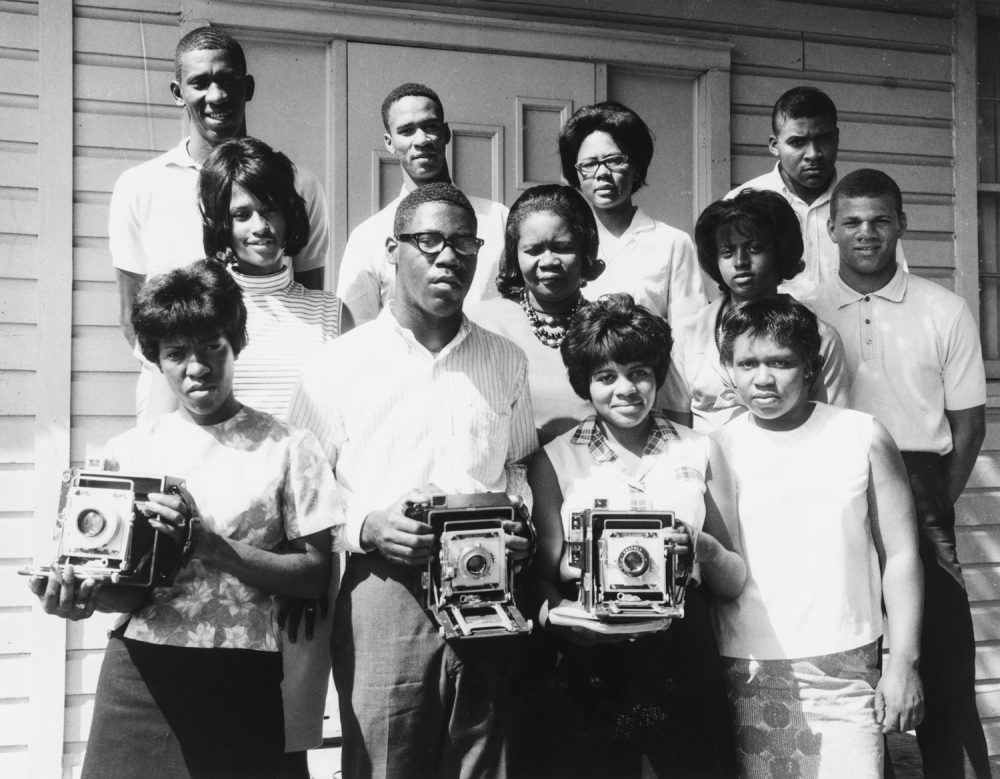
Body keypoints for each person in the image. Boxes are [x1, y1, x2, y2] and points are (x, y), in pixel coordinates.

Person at [29, 260, 342, 779]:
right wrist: (80, 598)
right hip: (140, 679)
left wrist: (208, 545)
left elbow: (314, 575)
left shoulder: (289, 447)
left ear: (236, 343)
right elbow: (127, 597)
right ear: (156, 359)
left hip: (244, 679)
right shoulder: (128, 453)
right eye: (176, 353)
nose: (197, 367)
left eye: (212, 346)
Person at [289, 182, 537, 779]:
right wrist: (368, 526)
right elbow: (302, 491)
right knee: (385, 762)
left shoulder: (506, 359)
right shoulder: (337, 364)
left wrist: (519, 520)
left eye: (464, 243)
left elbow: (519, 465)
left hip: (487, 587)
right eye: (429, 241)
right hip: (386, 588)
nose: (448, 256)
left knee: (486, 760)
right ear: (392, 251)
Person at [810, 169, 991, 778]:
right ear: (831, 229)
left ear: (902, 225)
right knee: (843, 657)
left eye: (880, 220)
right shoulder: (805, 308)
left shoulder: (944, 309)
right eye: (853, 222)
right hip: (832, 487)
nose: (867, 233)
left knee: (940, 663)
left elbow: (969, 426)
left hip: (918, 485)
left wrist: (931, 503)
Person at [526, 293, 746, 778]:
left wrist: (704, 549)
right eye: (606, 376)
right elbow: (539, 579)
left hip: (682, 652)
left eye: (639, 372)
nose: (625, 389)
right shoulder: (555, 460)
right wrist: (561, 620)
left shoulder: (700, 450)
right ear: (584, 382)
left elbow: (733, 581)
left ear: (658, 375)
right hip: (592, 656)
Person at [713, 296, 924, 778]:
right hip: (747, 668)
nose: (763, 378)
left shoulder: (862, 436)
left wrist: (903, 663)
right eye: (747, 364)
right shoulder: (718, 449)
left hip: (845, 669)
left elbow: (902, 555)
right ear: (729, 369)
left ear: (810, 366)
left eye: (781, 362)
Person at [198, 135, 351, 777]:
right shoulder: (203, 306)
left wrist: (307, 559)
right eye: (242, 213)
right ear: (220, 223)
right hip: (213, 537)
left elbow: (342, 439)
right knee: (205, 732)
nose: (260, 225)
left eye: (271, 209)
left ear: (292, 215)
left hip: (300, 547)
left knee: (283, 740)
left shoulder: (329, 314)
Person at [110, 26, 330, 418]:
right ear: (178, 92)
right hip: (177, 394)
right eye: (199, 83)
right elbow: (132, 314)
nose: (216, 96)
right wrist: (181, 382)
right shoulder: (139, 186)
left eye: (228, 80)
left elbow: (309, 295)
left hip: (275, 392)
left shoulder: (299, 184)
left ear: (248, 87)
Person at [668, 188, 848, 431]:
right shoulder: (688, 334)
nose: (740, 262)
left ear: (779, 251)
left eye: (754, 248)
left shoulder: (820, 336)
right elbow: (676, 427)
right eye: (727, 252)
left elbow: (832, 427)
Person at [337, 82, 508, 324]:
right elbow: (357, 334)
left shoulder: (498, 219)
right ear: (389, 142)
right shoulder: (367, 237)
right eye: (407, 131)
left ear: (446, 133)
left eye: (430, 127)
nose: (422, 140)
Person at [725, 86, 905, 299]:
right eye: (797, 142)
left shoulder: (861, 204)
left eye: (824, 139)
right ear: (774, 145)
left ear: (836, 138)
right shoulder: (741, 204)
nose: (813, 154)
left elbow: (892, 279)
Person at [468, 184, 604, 445]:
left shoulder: (608, 327)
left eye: (563, 247)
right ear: (515, 254)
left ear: (585, 251)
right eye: (533, 250)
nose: (549, 261)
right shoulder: (478, 324)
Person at [557, 101, 705, 326]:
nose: (602, 173)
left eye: (614, 161)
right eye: (589, 164)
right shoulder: (565, 242)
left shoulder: (672, 242)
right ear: (576, 173)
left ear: (636, 168)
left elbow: (690, 332)